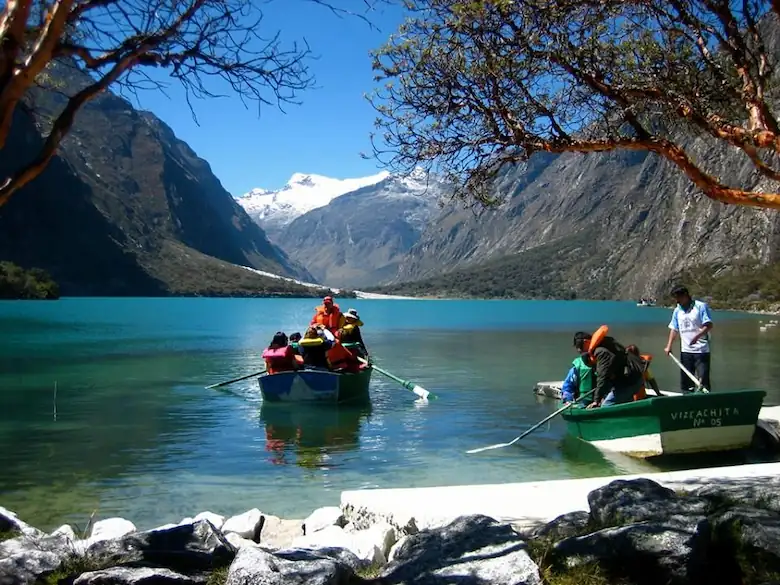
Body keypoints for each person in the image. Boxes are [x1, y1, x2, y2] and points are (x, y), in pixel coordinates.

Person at [574, 329, 646, 408]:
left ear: (586, 342)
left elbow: (602, 376)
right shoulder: (606, 345)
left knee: (606, 405)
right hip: (631, 379)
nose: (580, 350)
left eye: (580, 347)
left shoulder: (601, 352)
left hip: (630, 381)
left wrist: (596, 401)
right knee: (623, 403)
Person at [664, 285, 714, 393]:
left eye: (678, 298)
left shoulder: (700, 306)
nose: (677, 301)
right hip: (686, 351)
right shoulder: (677, 310)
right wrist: (669, 346)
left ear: (685, 296)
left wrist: (697, 337)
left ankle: (706, 401)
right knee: (686, 382)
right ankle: (687, 399)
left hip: (701, 351)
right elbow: (674, 328)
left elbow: (708, 325)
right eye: (675, 298)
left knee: (703, 380)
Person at [560, 332, 596, 407]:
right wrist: (568, 400)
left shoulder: (603, 361)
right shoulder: (577, 367)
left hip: (601, 400)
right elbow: (567, 387)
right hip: (583, 403)